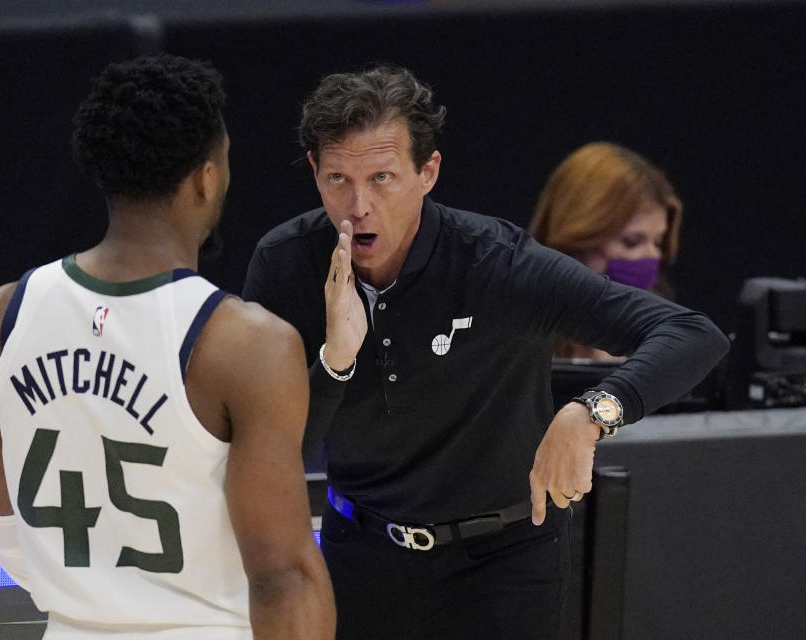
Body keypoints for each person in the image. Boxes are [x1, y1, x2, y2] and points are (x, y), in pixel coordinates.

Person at [242, 65, 728, 640]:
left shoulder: (495, 263)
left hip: (502, 565)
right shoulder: (286, 265)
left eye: (382, 177)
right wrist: (336, 361)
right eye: (336, 179)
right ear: (314, 174)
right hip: (360, 555)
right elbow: (274, 456)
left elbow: (694, 334)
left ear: (429, 172)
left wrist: (590, 414)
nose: (358, 205)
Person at [0, 54, 334, 639]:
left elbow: (3, 519)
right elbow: (284, 576)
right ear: (207, 177)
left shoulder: (4, 315)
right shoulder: (246, 343)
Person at [529, 142, 684, 359]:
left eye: (658, 242)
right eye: (631, 241)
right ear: (576, 238)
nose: (652, 256)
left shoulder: (664, 333)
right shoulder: (513, 333)